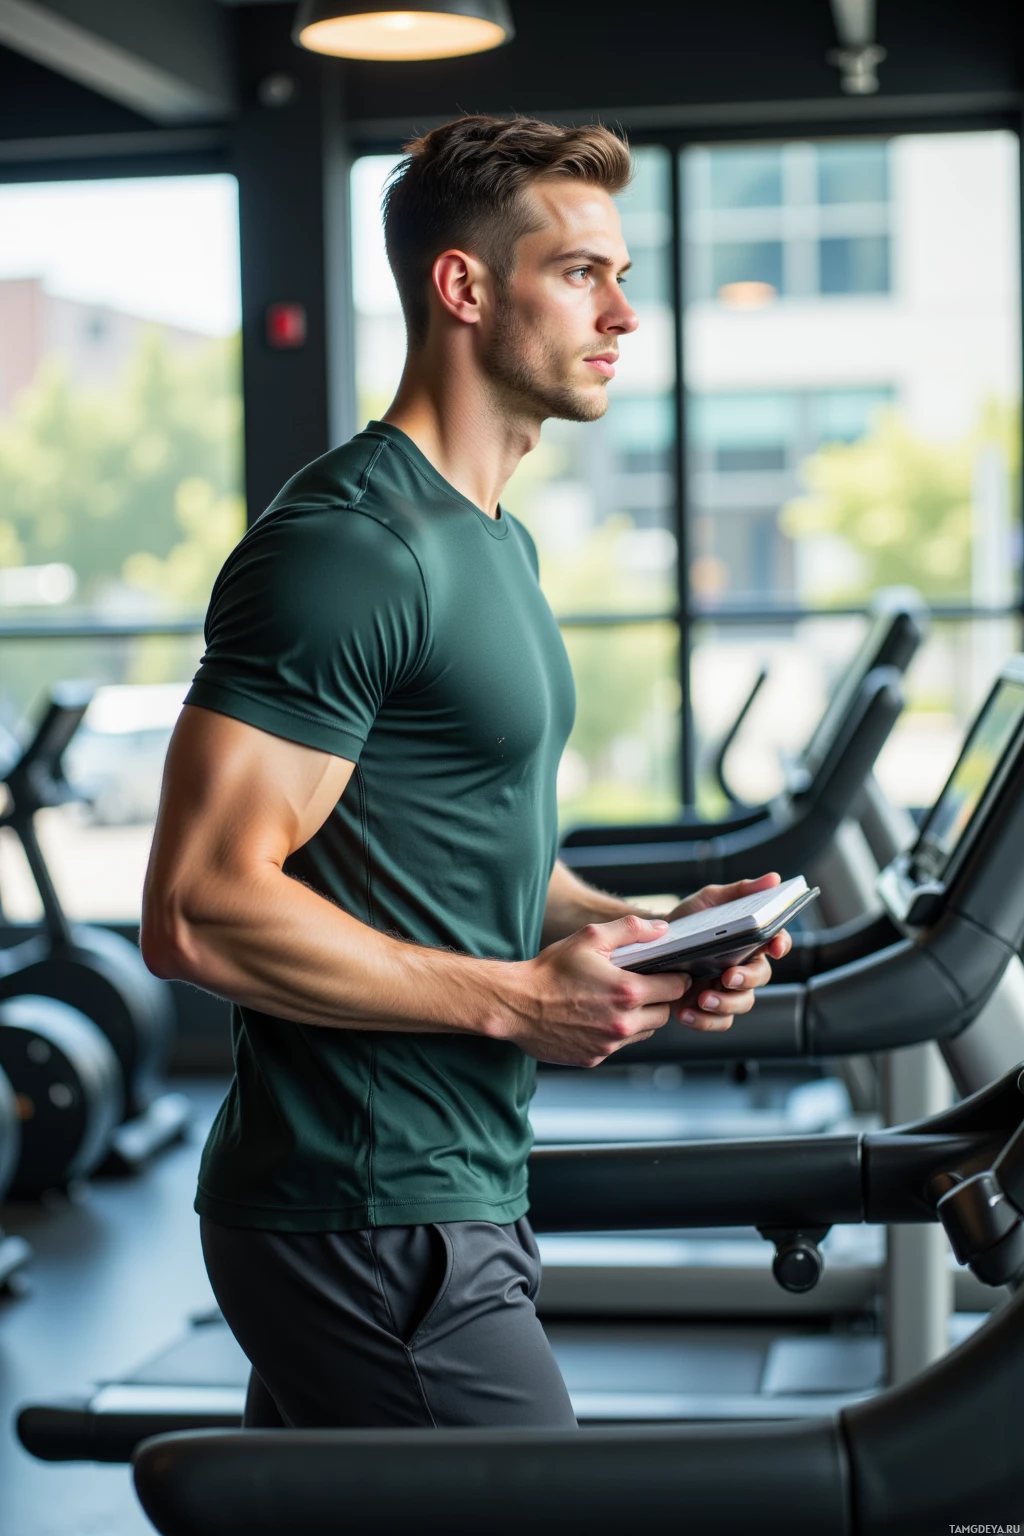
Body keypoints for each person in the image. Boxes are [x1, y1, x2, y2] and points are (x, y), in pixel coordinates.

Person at [141, 114, 792, 1432]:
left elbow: (455, 842)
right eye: (581, 273)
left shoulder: (493, 541)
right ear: (464, 286)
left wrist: (635, 931)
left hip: (444, 1186)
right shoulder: (350, 548)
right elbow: (198, 907)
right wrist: (517, 1003)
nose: (624, 314)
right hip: (369, 1208)